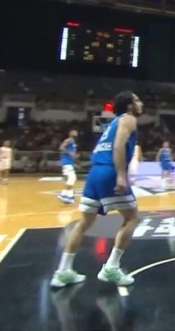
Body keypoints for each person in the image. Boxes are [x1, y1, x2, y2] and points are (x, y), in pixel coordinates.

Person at [50, 91, 143, 288]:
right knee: (132, 218)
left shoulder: (113, 123)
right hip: (110, 171)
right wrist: (120, 174)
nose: (141, 103)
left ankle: (63, 271)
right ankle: (111, 267)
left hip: (94, 173)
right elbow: (118, 146)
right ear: (129, 106)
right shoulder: (128, 119)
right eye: (137, 100)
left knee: (84, 222)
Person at [58, 130, 79, 204]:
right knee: (72, 178)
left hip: (69, 162)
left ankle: (70, 197)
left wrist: (74, 162)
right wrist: (70, 153)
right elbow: (61, 147)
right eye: (74, 132)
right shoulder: (68, 140)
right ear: (70, 133)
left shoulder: (74, 143)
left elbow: (72, 154)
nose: (76, 133)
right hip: (66, 162)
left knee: (70, 179)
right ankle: (63, 194)